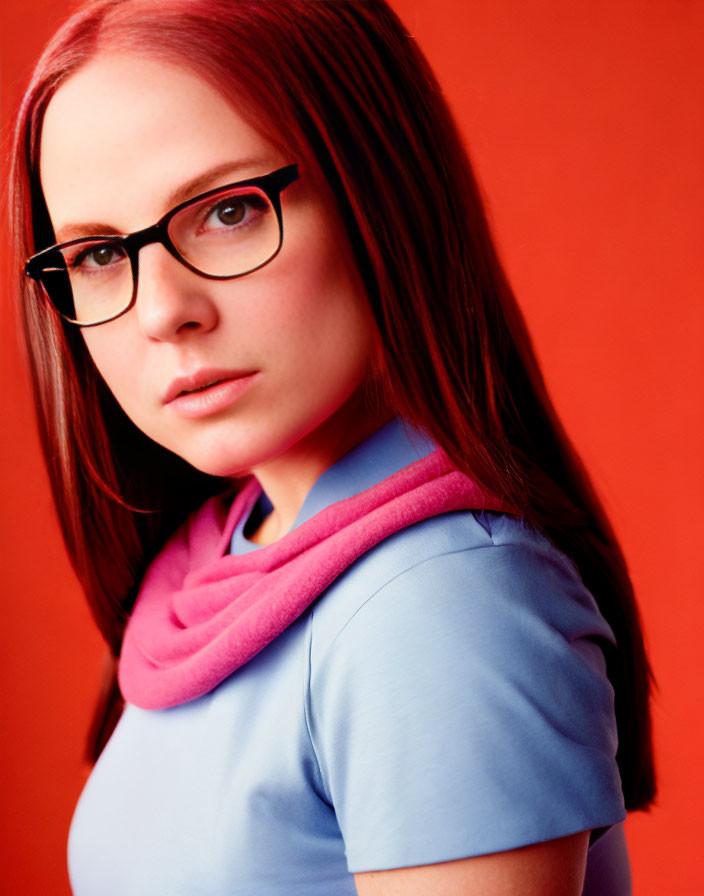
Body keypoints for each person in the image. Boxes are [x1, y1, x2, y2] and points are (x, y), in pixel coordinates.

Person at [10, 0, 656, 893]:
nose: (163, 313)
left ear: (380, 194)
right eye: (97, 255)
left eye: (228, 211)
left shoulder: (438, 602)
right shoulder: (231, 543)